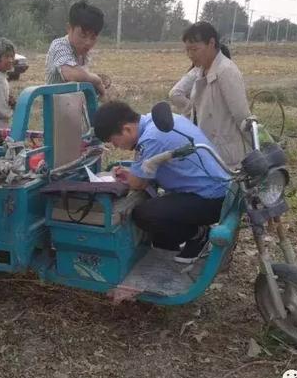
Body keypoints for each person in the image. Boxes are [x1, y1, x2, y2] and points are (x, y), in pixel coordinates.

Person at [92, 101, 229, 263]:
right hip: (218, 189)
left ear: (127, 129)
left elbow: (138, 184)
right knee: (158, 217)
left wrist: (130, 178)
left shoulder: (150, 139)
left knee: (144, 214)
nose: (117, 147)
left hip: (209, 199)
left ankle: (199, 236)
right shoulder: (158, 122)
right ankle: (169, 249)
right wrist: (131, 175)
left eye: (114, 142)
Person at [169, 22, 251, 168]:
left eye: (195, 49)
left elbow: (242, 116)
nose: (190, 55)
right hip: (207, 148)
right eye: (187, 50)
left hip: (227, 154)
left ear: (211, 43)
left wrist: (257, 148)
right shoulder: (200, 72)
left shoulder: (226, 71)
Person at [45, 0, 105, 95]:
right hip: (56, 107)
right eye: (83, 36)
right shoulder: (59, 45)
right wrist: (96, 80)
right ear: (69, 29)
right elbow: (70, 73)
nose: (88, 43)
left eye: (93, 37)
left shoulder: (83, 53)